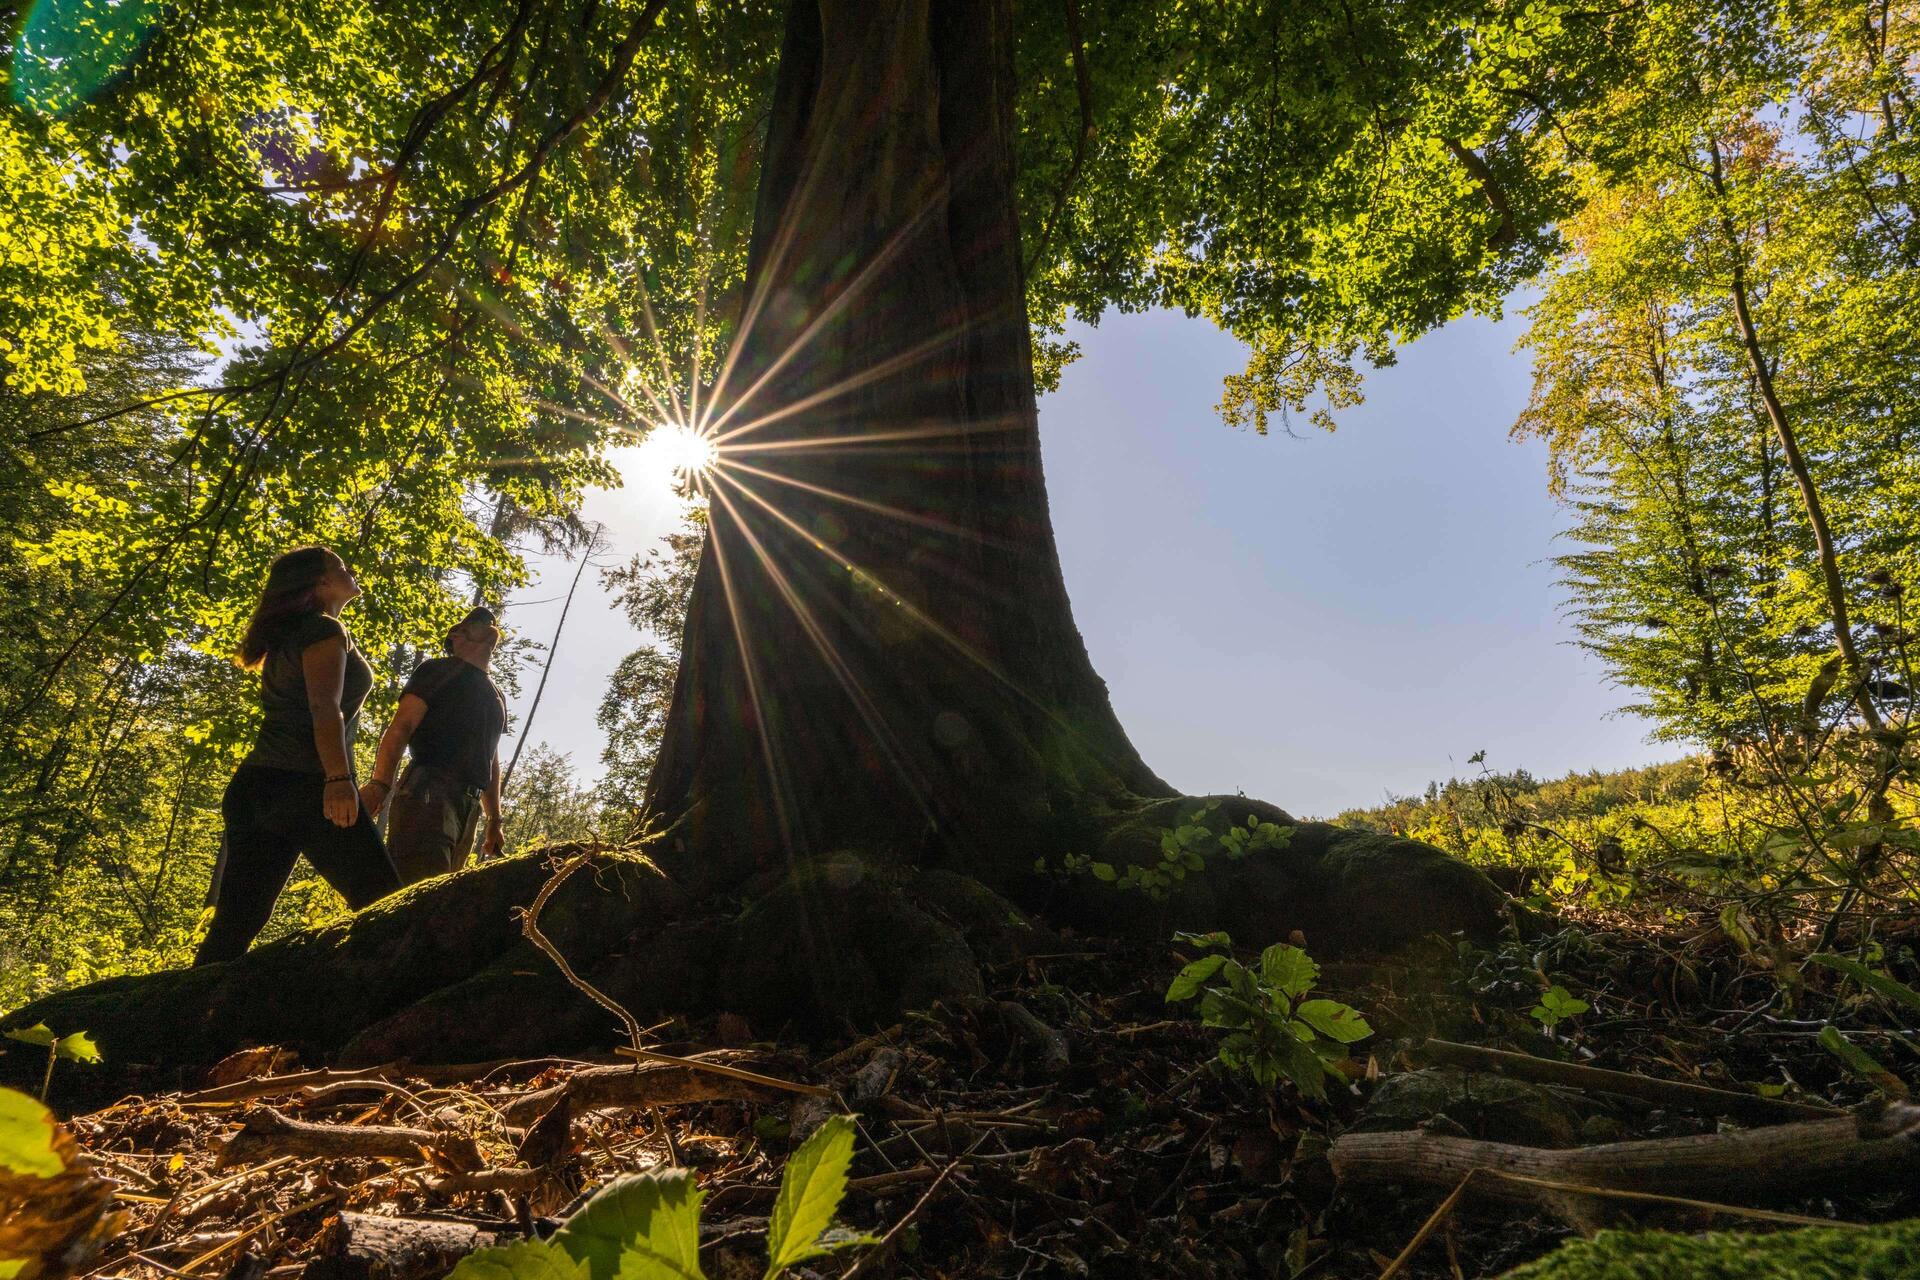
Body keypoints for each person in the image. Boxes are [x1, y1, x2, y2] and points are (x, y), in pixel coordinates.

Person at [196, 547, 401, 965]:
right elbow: (325, 707)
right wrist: (338, 780)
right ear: (322, 583)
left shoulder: (293, 634)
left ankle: (178, 1018)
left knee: (236, 924)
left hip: (256, 788)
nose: (350, 571)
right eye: (341, 567)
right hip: (305, 787)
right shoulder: (324, 630)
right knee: (388, 906)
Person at [360, 607, 508, 883]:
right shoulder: (437, 671)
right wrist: (380, 785)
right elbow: (402, 726)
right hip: (428, 793)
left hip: (468, 806)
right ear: (456, 636)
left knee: (442, 898)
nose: (490, 623)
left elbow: (491, 758)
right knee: (419, 891)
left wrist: (494, 820)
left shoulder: (495, 694)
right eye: (477, 622)